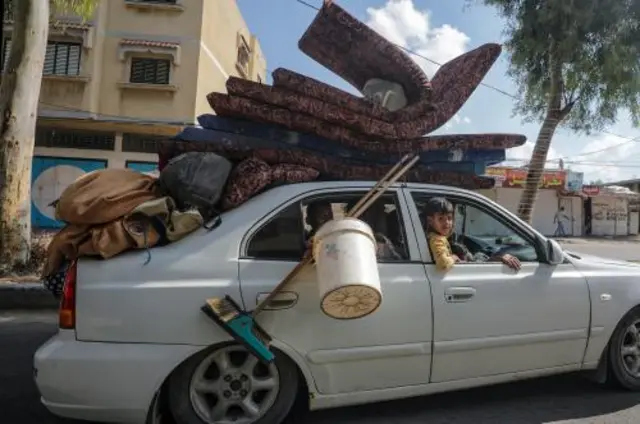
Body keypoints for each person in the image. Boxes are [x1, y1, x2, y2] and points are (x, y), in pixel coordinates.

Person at [424, 197, 521, 272]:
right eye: (441, 219)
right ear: (430, 221)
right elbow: (443, 263)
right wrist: (453, 258)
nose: (447, 223)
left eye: (449, 218)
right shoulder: (437, 239)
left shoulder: (445, 237)